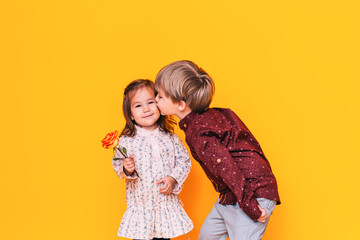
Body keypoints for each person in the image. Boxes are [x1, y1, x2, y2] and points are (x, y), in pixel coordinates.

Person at [154, 61, 280, 240]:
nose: (156, 99)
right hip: (231, 195)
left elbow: (226, 166)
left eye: (160, 96)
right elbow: (249, 144)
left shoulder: (198, 133)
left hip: (251, 194)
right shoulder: (216, 114)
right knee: (207, 236)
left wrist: (250, 205)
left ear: (180, 105)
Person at [112, 79, 193, 240]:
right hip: (142, 208)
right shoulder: (127, 141)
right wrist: (126, 168)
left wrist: (173, 178)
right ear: (131, 115)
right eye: (138, 105)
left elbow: (184, 161)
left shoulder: (170, 138)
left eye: (150, 102)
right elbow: (117, 163)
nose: (146, 109)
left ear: (159, 105)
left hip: (164, 205)